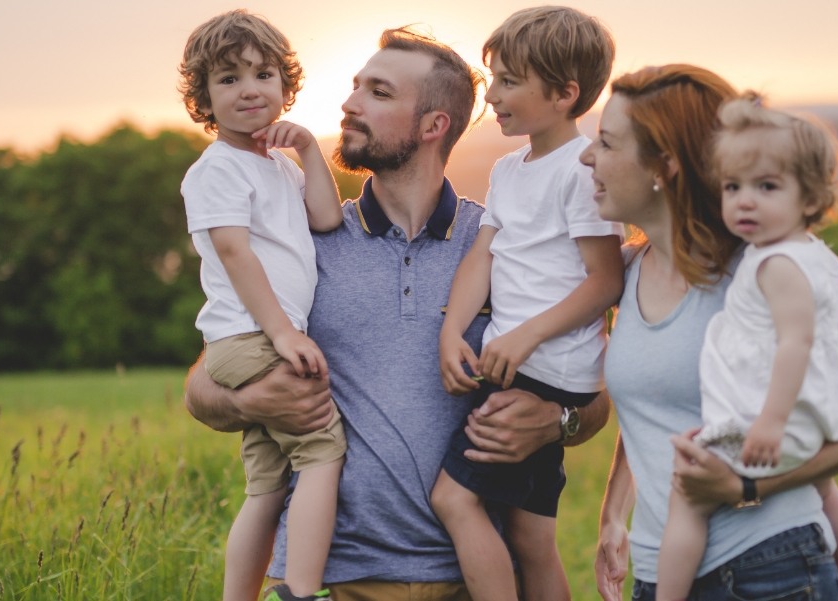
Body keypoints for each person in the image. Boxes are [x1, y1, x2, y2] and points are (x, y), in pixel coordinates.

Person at [183, 26, 611, 601]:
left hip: (477, 580)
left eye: (378, 94)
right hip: (340, 583)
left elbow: (595, 394)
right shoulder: (307, 242)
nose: (349, 103)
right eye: (356, 86)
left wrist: (555, 423)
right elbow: (207, 379)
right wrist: (244, 400)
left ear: (434, 126)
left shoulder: (506, 244)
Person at [580, 64, 838, 601]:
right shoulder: (629, 270)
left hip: (768, 571)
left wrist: (746, 487)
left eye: (607, 143)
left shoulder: (756, 274)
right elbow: (658, 408)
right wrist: (614, 515)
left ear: (666, 165)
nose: (588, 157)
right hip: (659, 578)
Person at [655, 96, 838, 601]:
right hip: (815, 418)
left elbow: (795, 343)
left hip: (775, 425)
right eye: (732, 188)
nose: (744, 202)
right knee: (825, 491)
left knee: (686, 499)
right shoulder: (815, 253)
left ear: (811, 199)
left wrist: (769, 423)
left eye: (766, 187)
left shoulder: (772, 264)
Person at [432, 7, 621, 601]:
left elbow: (604, 280)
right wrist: (452, 331)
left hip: (542, 372)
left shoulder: (583, 169)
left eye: (510, 81)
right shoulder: (509, 169)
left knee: (454, 498)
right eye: (494, 79)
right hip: (521, 361)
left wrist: (524, 337)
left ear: (565, 94)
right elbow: (483, 257)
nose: (493, 95)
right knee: (532, 537)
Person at [176, 10, 344, 601]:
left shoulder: (277, 165)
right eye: (228, 78)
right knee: (323, 449)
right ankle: (301, 591)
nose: (249, 88)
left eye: (263, 73)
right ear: (204, 99)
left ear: (284, 85)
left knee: (267, 487)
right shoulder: (216, 170)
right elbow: (235, 253)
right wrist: (283, 334)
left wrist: (310, 149)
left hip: (258, 338)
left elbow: (326, 218)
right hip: (251, 337)